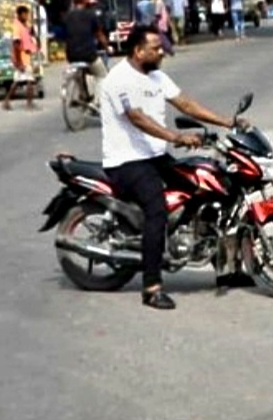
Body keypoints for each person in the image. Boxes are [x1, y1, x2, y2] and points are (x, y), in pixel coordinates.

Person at [100, 25, 251, 310]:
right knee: (156, 209)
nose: (161, 52)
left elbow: (186, 105)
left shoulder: (157, 76)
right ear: (138, 51)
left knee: (210, 186)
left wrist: (228, 122)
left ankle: (227, 268)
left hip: (156, 156)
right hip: (126, 161)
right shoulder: (118, 79)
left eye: (161, 47)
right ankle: (151, 287)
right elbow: (137, 118)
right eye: (155, 48)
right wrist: (176, 137)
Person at [64, 0, 110, 109]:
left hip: (71, 55)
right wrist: (107, 47)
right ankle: (96, 102)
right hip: (88, 53)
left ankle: (83, 95)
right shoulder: (90, 15)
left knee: (78, 74)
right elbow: (99, 35)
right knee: (102, 74)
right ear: (85, 0)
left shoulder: (67, 16)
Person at [3, 5, 39, 110]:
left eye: (27, 14)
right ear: (19, 15)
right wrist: (19, 62)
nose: (26, 16)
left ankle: (7, 101)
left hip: (26, 57)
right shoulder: (17, 27)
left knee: (18, 81)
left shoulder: (24, 26)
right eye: (24, 14)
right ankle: (29, 103)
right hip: (22, 58)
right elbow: (16, 44)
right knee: (29, 81)